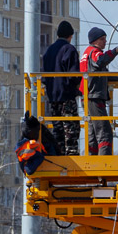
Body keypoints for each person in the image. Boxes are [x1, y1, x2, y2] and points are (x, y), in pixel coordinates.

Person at [79, 27, 118, 156]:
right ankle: (103, 164)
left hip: (87, 96)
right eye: (102, 39)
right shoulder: (94, 52)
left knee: (93, 134)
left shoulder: (86, 54)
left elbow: (99, 73)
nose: (105, 42)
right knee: (104, 132)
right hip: (94, 97)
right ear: (95, 40)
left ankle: (92, 161)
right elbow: (101, 61)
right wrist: (117, 49)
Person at [42, 20, 81, 155]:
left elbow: (44, 75)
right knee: (71, 127)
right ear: (70, 36)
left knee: (58, 127)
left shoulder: (49, 51)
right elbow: (74, 75)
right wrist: (77, 87)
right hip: (67, 96)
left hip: (53, 96)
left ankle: (58, 154)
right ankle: (71, 154)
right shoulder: (69, 49)